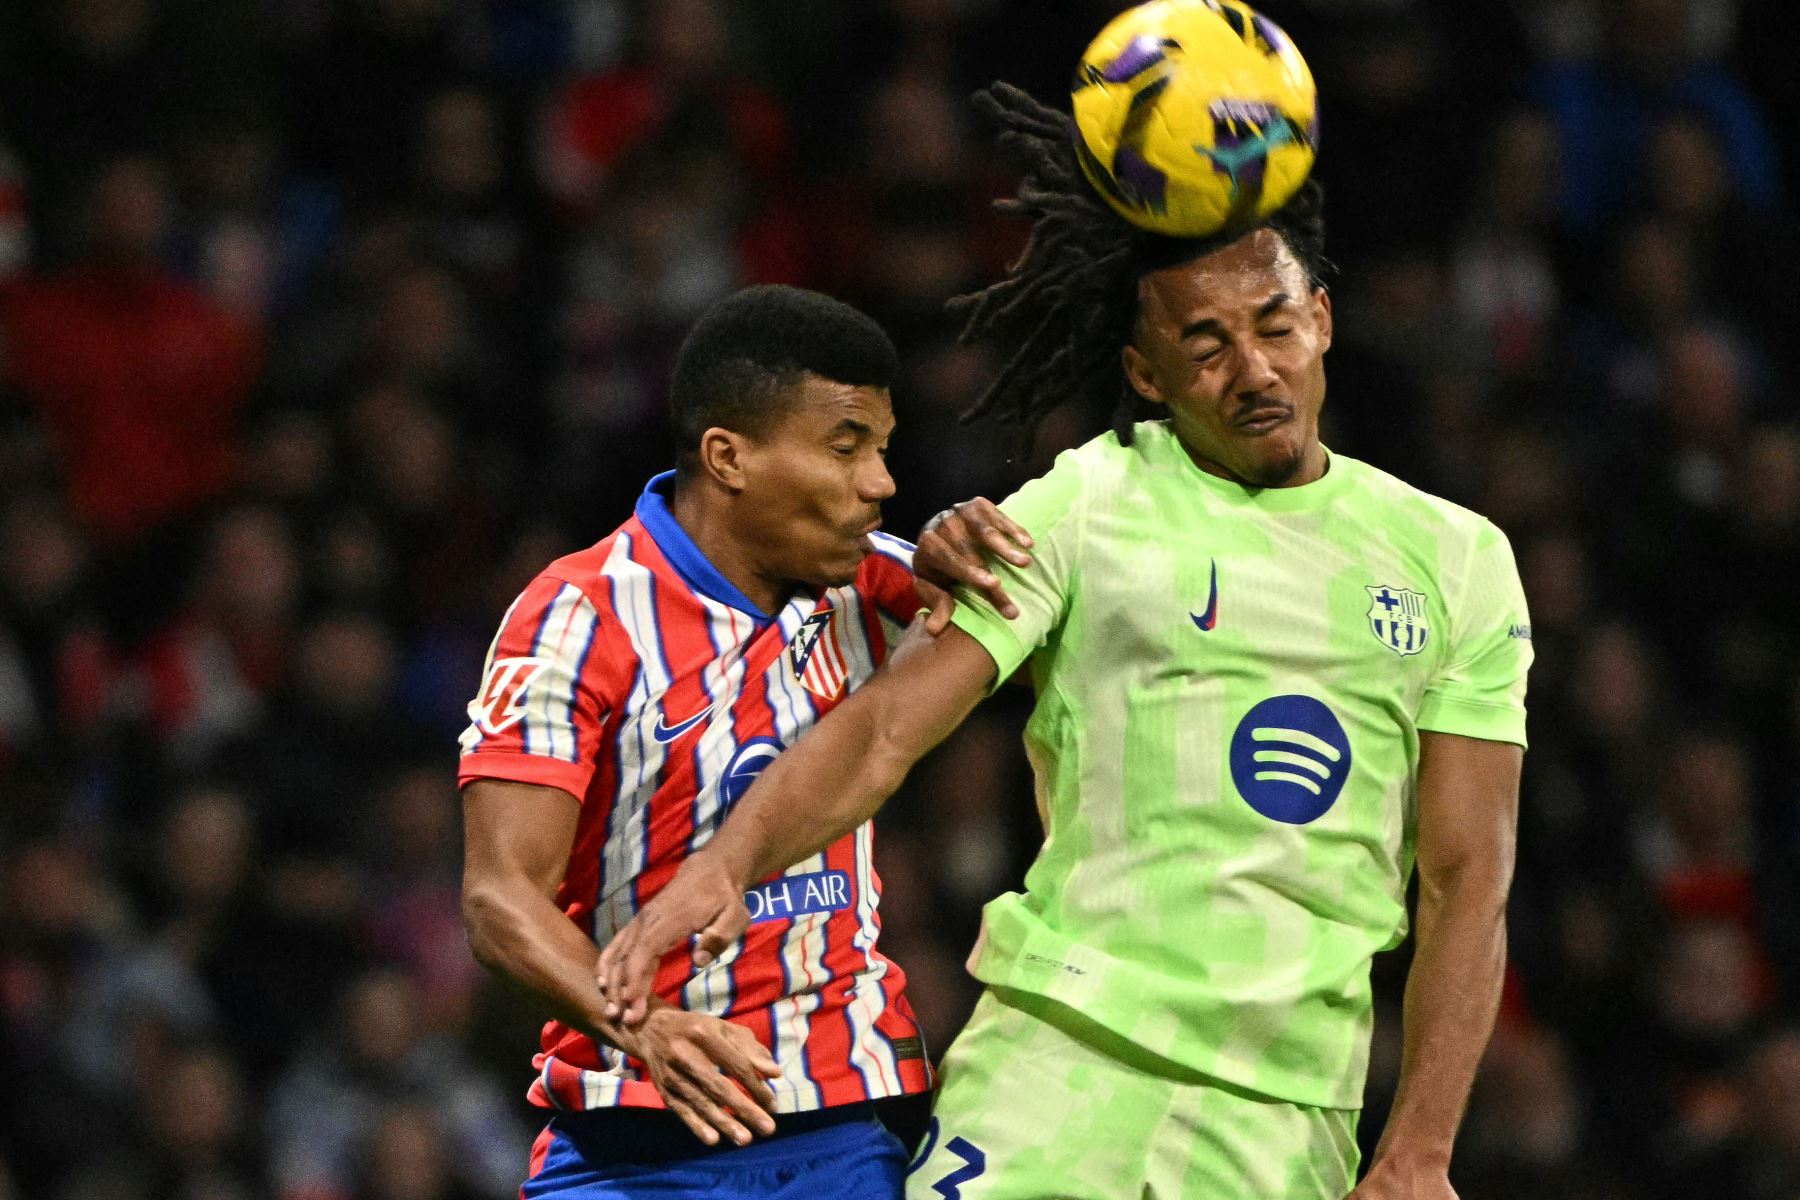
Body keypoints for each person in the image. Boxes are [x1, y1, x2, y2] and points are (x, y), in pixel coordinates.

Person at [596, 84, 1533, 1200]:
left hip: (1285, 1109)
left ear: (1321, 317)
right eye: (1207, 343)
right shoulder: (1086, 502)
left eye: (1275, 326)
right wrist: (727, 862)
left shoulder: (1458, 559)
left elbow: (1467, 882)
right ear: (1146, 376)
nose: (1255, 369)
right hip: (1060, 1057)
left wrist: (1419, 1152)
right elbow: (891, 727)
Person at [460, 285, 968, 1198]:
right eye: (845, 447)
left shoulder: (877, 587)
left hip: (839, 1123)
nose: (880, 484)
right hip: (629, 1137)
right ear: (728, 457)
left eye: (883, 450)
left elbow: (1033, 608)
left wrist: (973, 534)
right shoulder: (578, 617)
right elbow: (500, 899)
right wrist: (643, 1027)